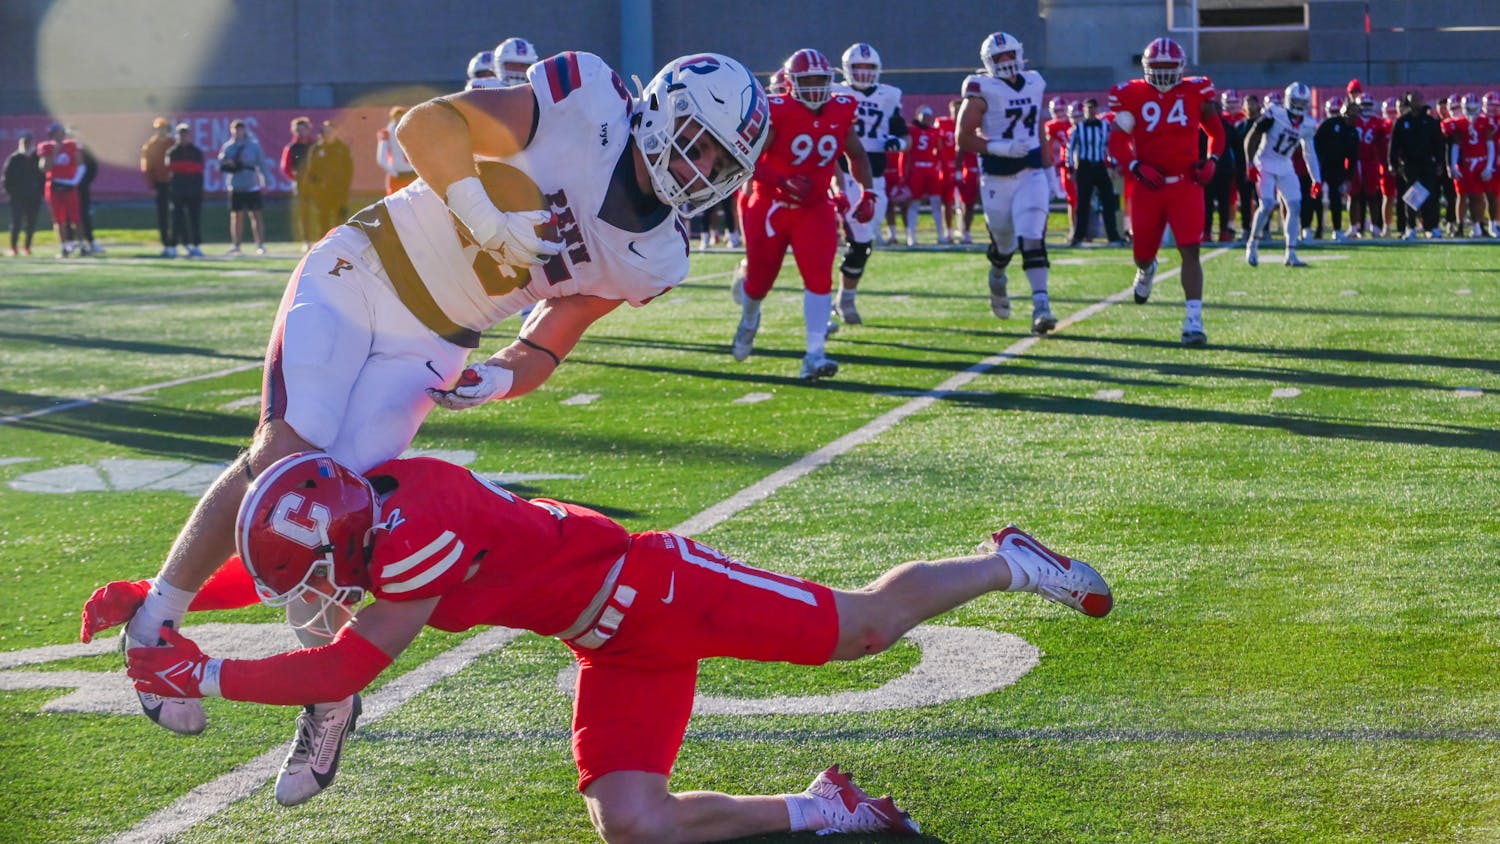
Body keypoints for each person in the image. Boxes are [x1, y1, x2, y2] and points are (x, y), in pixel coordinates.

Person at [79, 49, 769, 809]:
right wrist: (483, 215)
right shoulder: (588, 100)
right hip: (364, 269)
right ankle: (154, 623)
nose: (703, 167)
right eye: (699, 141)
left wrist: (501, 375)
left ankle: (329, 691)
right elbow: (426, 126)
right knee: (288, 455)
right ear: (665, 109)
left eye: (721, 159)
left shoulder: (657, 255)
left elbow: (553, 335)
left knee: (338, 522)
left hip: (437, 343)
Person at [113, 450, 1113, 838]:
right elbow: (298, 573)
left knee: (866, 628)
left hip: (663, 590)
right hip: (609, 640)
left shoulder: (416, 531)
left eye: (324, 567)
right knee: (631, 823)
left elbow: (342, 669)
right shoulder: (365, 515)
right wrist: (160, 600)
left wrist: (198, 668)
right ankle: (825, 808)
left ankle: (1009, 564)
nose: (323, 588)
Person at [729, 48, 872, 380]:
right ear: (791, 83)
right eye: (807, 80)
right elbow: (745, 158)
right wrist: (782, 180)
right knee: (760, 281)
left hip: (815, 207)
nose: (815, 87)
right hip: (770, 205)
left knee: (819, 280)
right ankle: (749, 320)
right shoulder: (778, 111)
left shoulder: (841, 108)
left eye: (821, 80)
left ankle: (814, 355)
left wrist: (869, 192)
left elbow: (857, 155)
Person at [1106, 37, 1225, 347]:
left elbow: (1216, 132)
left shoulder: (1196, 91)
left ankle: (1193, 321)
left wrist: (1212, 159)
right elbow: (1117, 140)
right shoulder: (1131, 94)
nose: (1161, 75)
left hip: (1186, 183)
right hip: (1148, 186)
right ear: (1145, 68)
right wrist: (1134, 167)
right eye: (1156, 68)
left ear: (1181, 68)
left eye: (1168, 68)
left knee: (1191, 249)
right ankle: (1146, 270)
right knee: (1142, 254)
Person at [957, 32, 1063, 335]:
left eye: (1009, 55)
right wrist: (996, 147)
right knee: (1004, 242)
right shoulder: (980, 87)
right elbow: (962, 137)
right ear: (988, 63)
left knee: (1032, 236)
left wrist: (1049, 169)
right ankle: (998, 274)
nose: (1006, 62)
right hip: (996, 176)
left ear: (1019, 54)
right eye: (998, 58)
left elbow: (1039, 129)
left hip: (1031, 173)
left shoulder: (1034, 82)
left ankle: (1041, 306)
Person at [830, 42, 907, 327]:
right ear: (847, 69)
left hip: (875, 176)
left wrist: (898, 142)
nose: (863, 73)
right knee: (848, 236)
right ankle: (837, 300)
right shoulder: (835, 91)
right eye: (858, 67)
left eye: (868, 67)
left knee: (863, 243)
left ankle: (844, 297)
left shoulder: (890, 95)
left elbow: (904, 135)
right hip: (842, 172)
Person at [1244, 82, 1322, 266]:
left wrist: (1316, 179)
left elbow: (1309, 153)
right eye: (1296, 101)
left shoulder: (1309, 124)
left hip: (1285, 165)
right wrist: (1250, 163)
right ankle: (1252, 245)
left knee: (1295, 206)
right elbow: (1252, 136)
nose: (1299, 105)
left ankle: (1291, 254)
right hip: (1265, 161)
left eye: (1302, 102)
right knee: (1268, 204)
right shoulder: (1274, 113)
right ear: (1288, 100)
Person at [1389, 90, 1446, 239]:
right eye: (1414, 100)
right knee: (1411, 197)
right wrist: (1393, 163)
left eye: (1419, 100)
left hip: (1427, 164)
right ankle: (1411, 226)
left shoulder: (1430, 122)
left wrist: (1440, 162)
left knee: (1431, 196)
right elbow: (1394, 145)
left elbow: (1438, 144)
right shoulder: (1402, 122)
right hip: (1409, 165)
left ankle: (1431, 227)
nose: (1417, 103)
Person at [1067, 97, 1123, 246]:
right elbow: (1070, 148)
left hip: (1099, 165)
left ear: (1097, 110)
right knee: (1083, 203)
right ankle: (1078, 237)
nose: (1091, 111)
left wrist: (1114, 163)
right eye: (1088, 109)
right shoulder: (1078, 128)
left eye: (1093, 108)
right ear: (1084, 110)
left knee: (1109, 200)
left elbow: (1108, 146)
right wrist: (1071, 168)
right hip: (1084, 166)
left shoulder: (1104, 126)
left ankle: (1113, 237)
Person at [217, 119, 270, 255]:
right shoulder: (228, 147)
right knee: (236, 216)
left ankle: (260, 244)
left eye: (240, 129)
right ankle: (236, 245)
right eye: (235, 129)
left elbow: (261, 163)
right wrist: (229, 163)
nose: (238, 132)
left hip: (251, 184)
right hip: (236, 185)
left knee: (256, 215)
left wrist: (266, 180)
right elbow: (221, 163)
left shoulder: (253, 146)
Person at [36, 122, 87, 257]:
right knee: (59, 219)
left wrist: (74, 181)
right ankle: (64, 247)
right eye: (54, 133)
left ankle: (82, 245)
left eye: (59, 133)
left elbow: (80, 164)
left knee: (76, 218)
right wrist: (55, 151)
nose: (57, 136)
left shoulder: (71, 146)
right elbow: (45, 168)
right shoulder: (46, 147)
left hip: (69, 185)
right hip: (54, 186)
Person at [1448, 93, 1495, 238]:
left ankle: (1479, 226)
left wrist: (1488, 166)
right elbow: (1455, 146)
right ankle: (1463, 226)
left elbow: (1490, 145)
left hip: (1481, 161)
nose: (1472, 111)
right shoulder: (1459, 123)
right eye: (1469, 108)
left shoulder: (1485, 121)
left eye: (1474, 108)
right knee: (1464, 196)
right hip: (1466, 163)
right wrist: (1453, 164)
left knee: (1480, 196)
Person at [1312, 96, 1358, 242]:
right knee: (1316, 198)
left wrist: (1349, 177)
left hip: (1337, 168)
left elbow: (1353, 157)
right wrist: (1315, 164)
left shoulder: (1352, 132)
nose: (1352, 115)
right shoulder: (1330, 124)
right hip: (1321, 165)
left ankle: (1337, 229)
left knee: (1335, 199)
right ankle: (1318, 228)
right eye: (1351, 111)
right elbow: (1315, 144)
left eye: (1355, 112)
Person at [904, 105, 949, 245]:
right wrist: (904, 174)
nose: (927, 120)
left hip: (932, 170)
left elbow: (940, 151)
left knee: (936, 202)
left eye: (929, 117)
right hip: (917, 170)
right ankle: (911, 236)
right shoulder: (911, 130)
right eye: (925, 117)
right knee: (914, 203)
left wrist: (946, 169)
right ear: (918, 117)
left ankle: (941, 234)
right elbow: (905, 153)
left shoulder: (935, 132)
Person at [306, 120, 354, 234]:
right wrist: (316, 188)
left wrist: (345, 185)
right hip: (322, 191)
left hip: (339, 190)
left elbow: (349, 169)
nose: (328, 134)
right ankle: (324, 242)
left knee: (340, 218)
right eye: (326, 132)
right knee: (323, 218)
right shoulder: (316, 149)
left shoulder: (342, 148)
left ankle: (341, 242)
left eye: (331, 132)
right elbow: (311, 171)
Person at [166, 123, 206, 258]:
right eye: (180, 134)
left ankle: (196, 245)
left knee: (195, 219)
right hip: (177, 191)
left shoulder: (196, 152)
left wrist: (183, 169)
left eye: (185, 134)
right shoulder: (172, 152)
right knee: (176, 219)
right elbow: (172, 168)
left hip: (194, 191)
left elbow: (197, 169)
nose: (183, 137)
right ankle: (173, 246)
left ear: (189, 136)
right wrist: (185, 168)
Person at [3, 131, 44, 256]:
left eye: (28, 142)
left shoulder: (37, 158)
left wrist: (39, 192)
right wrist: (12, 192)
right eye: (24, 142)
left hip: (33, 197)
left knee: (31, 222)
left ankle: (27, 247)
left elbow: (43, 177)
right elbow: (7, 178)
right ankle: (14, 247)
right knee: (16, 222)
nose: (26, 144)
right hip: (17, 197)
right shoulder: (14, 158)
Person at [280, 116, 318, 250]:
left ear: (309, 129)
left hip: (318, 185)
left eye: (304, 129)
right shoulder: (291, 147)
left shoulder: (316, 145)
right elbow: (286, 167)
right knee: (304, 213)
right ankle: (307, 240)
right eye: (298, 130)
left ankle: (320, 238)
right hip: (301, 185)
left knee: (320, 211)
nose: (301, 132)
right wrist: (296, 177)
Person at [141, 118, 175, 256]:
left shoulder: (172, 143)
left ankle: (176, 243)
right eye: (159, 129)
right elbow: (147, 168)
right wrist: (152, 186)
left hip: (174, 183)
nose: (161, 131)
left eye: (164, 128)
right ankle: (166, 244)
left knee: (175, 215)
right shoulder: (151, 145)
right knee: (163, 215)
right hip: (160, 184)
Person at [72, 128, 103, 254]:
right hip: (66, 189)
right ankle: (71, 242)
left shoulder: (85, 150)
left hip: (81, 189)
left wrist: (83, 182)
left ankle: (90, 242)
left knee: (84, 215)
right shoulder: (64, 149)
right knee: (69, 217)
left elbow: (93, 168)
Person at [375, 106, 417, 195]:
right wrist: (394, 172)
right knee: (396, 205)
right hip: (398, 175)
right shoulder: (386, 133)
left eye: (401, 116)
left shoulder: (412, 131)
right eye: (396, 117)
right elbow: (381, 158)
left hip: (413, 175)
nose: (399, 119)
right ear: (392, 118)